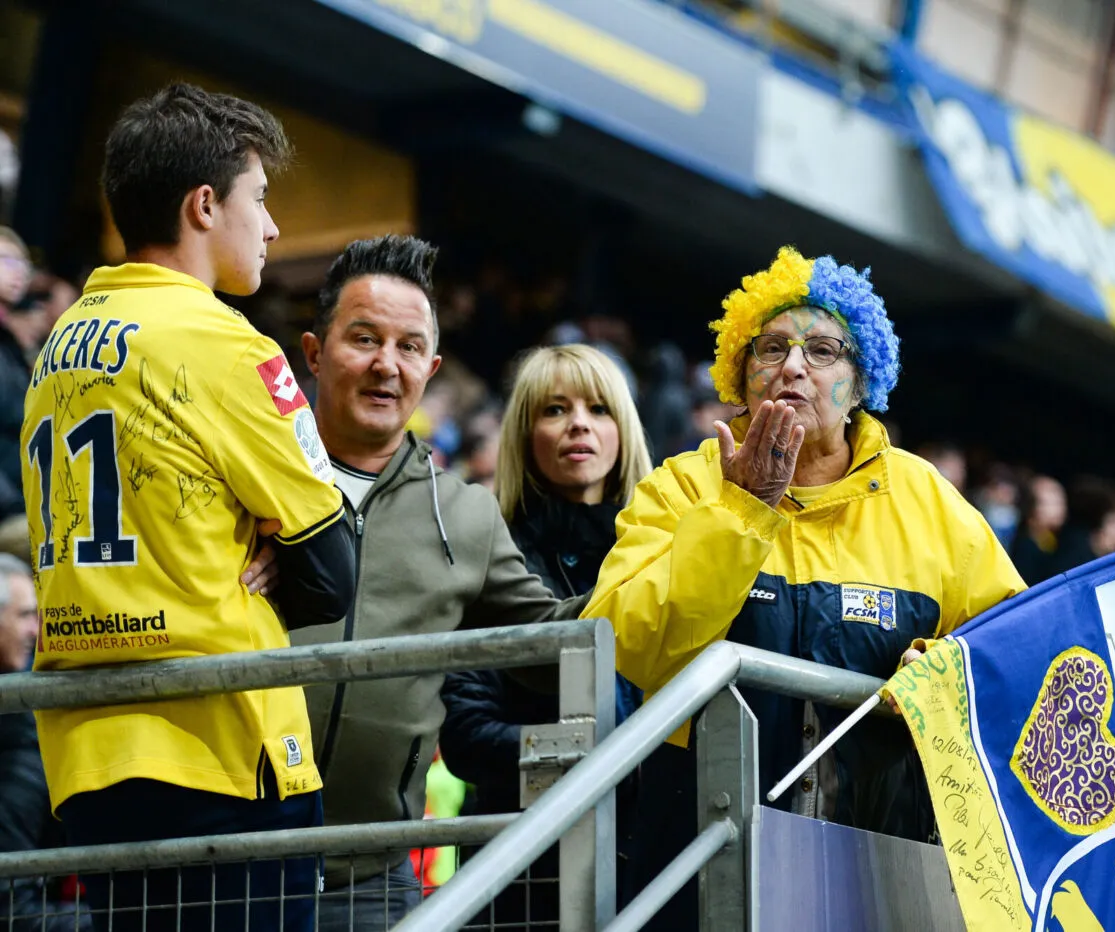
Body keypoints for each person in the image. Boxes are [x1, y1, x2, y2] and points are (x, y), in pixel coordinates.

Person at [583, 246, 1025, 922]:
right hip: (699, 869)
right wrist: (742, 511)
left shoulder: (930, 502)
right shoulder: (683, 486)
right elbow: (628, 645)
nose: (792, 366)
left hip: (875, 881)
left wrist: (943, 666)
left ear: (861, 380)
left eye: (823, 351)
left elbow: (1015, 657)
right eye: (771, 349)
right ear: (742, 372)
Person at [21, 84, 356, 932]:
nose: (274, 227)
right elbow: (333, 574)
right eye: (262, 199)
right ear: (205, 205)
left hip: (88, 762)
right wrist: (277, 552)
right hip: (222, 748)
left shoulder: (56, 348)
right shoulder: (224, 342)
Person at [289, 234, 592, 930]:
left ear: (433, 366)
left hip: (371, 877)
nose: (385, 366)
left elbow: (550, 649)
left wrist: (673, 568)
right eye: (363, 339)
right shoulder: (246, 475)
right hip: (227, 859)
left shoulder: (465, 512)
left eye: (407, 347)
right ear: (313, 352)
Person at [438, 343, 652, 924]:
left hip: (650, 860)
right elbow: (466, 731)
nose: (579, 423)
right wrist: (597, 758)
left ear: (625, 429)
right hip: (520, 866)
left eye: (599, 408)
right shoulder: (488, 556)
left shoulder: (662, 558)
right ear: (524, 434)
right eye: (555, 409)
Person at [0, 227, 33, 519]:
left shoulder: (12, 341)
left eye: (24, 264)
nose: (19, 272)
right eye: (8, 261)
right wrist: (14, 507)